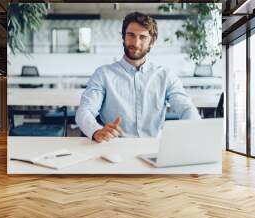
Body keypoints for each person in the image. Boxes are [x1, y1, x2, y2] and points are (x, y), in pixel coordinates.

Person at [76, 12, 200, 143]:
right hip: (114, 147)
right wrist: (96, 130)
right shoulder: (103, 74)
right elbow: (85, 111)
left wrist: (193, 132)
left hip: (153, 148)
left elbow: (186, 108)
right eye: (131, 35)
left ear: (151, 41)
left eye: (143, 37)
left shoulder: (165, 75)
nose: (136, 42)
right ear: (123, 37)